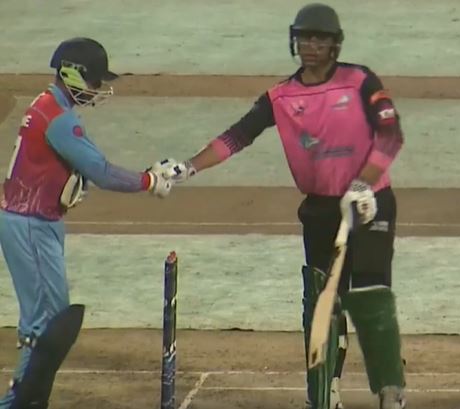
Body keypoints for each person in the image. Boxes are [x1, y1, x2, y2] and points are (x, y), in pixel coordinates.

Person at [156, 3, 407, 408]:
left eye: (320, 40)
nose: (311, 46)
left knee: (370, 292)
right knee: (323, 302)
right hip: (321, 210)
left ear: (335, 45)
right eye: (305, 38)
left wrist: (365, 183)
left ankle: (390, 390)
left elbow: (391, 134)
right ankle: (325, 392)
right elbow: (238, 136)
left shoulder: (360, 81)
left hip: (369, 203)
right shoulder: (281, 96)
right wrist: (189, 167)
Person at [0, 37, 175, 409]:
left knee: (48, 318)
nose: (96, 89)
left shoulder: (48, 105)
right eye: (94, 80)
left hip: (34, 221)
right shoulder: (59, 119)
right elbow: (102, 172)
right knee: (47, 321)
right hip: (29, 224)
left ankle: (25, 400)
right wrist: (149, 180)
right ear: (72, 74)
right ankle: (18, 402)